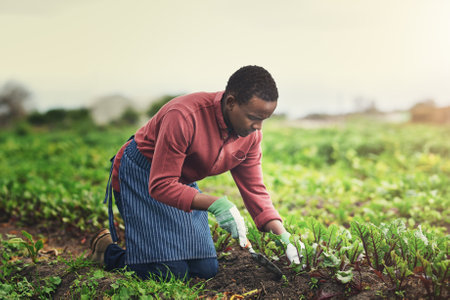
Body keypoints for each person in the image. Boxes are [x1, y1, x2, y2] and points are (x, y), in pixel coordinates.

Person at [89, 65, 301, 280]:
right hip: (143, 174)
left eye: (265, 119)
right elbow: (161, 184)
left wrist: (282, 234)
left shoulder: (250, 136)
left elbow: (255, 189)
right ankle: (108, 252)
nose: (259, 127)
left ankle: (156, 253)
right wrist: (216, 204)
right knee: (167, 272)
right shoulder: (183, 116)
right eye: (253, 117)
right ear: (231, 103)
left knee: (205, 269)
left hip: (180, 180)